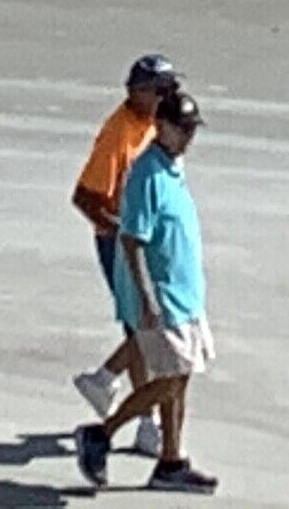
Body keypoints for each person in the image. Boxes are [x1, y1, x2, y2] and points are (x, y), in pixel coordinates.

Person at [76, 88, 214, 493]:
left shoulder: (172, 165)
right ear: (160, 127)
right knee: (170, 379)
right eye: (181, 128)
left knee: (180, 377)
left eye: (191, 129)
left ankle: (170, 462)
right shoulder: (147, 174)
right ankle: (101, 434)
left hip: (185, 294)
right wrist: (147, 299)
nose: (188, 136)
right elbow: (132, 240)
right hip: (162, 297)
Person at [70, 54, 180, 450]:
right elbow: (83, 197)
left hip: (143, 239)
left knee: (148, 326)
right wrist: (124, 234)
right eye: (162, 90)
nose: (170, 96)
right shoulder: (118, 133)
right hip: (118, 242)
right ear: (138, 92)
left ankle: (108, 383)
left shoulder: (154, 123)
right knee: (145, 327)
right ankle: (143, 418)